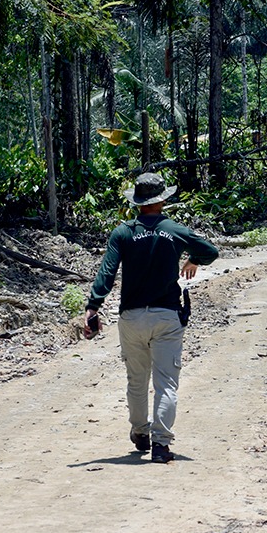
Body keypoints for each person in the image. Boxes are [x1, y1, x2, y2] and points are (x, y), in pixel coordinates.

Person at [84, 172, 220, 463]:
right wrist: (194, 259)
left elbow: (107, 272)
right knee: (166, 382)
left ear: (137, 202)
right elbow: (211, 251)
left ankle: (140, 432)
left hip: (131, 318)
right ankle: (161, 445)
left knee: (136, 380)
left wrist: (93, 306)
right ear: (162, 200)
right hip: (166, 316)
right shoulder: (173, 229)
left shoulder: (123, 233)